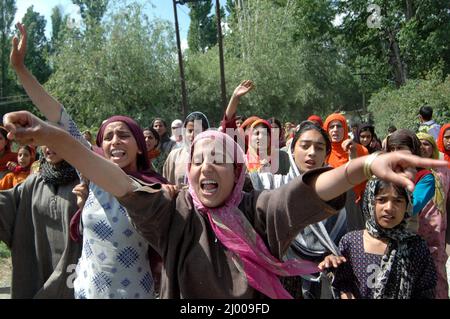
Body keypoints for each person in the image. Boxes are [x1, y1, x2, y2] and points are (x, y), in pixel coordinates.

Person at [4, 109, 447, 298]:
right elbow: (112, 177)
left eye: (220, 160)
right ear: (187, 170)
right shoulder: (171, 213)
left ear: (239, 173)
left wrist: (364, 166)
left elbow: (307, 193)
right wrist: (50, 136)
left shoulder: (260, 211)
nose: (207, 168)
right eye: (199, 160)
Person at [9, 22, 169, 299]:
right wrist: (20, 69)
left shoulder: (155, 189)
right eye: (107, 137)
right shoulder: (92, 175)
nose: (115, 141)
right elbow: (59, 116)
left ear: (141, 147)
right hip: (85, 292)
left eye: (124, 135)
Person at [249, 121, 347, 299]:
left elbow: (341, 244)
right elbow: (234, 182)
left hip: (322, 284)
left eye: (319, 148)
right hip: (277, 281)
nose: (311, 153)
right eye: (305, 146)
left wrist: (331, 257)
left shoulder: (335, 196)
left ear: (326, 154)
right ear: (292, 150)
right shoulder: (271, 186)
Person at [319, 179, 437, 299]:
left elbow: (426, 290)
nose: (389, 208)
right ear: (370, 201)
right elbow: (342, 284)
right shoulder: (351, 242)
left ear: (408, 205)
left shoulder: (416, 246)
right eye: (381, 200)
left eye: (398, 201)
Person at [0, 143, 82, 298]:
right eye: (45, 140)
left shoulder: (86, 179)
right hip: (38, 266)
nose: (50, 145)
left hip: (73, 269)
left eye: (55, 138)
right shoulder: (35, 181)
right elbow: (10, 204)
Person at [416, 132, 449, 299]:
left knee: (439, 271)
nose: (423, 147)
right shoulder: (411, 169)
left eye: (427, 143)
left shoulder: (443, 168)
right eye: (419, 143)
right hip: (418, 227)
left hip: (439, 228)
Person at [323, 113, 369, 231]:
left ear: (345, 128)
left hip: (352, 204)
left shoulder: (360, 150)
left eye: (339, 126)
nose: (335, 130)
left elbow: (365, 179)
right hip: (329, 205)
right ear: (326, 130)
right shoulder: (323, 152)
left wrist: (352, 157)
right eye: (331, 127)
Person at [163, 111, 210, 186]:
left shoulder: (212, 157)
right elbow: (167, 184)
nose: (193, 135)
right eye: (190, 131)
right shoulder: (174, 156)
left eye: (197, 131)